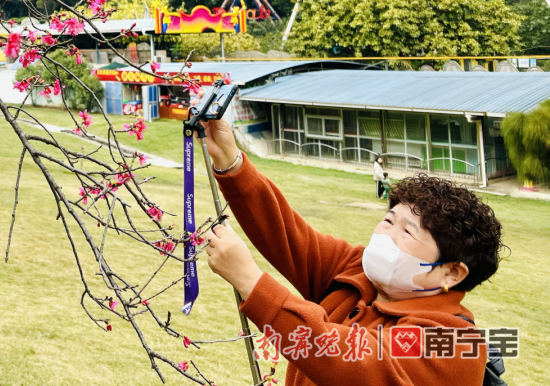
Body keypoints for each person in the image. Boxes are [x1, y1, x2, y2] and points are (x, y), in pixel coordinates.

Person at [201, 116, 503, 385]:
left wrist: (252, 283)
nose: (386, 234)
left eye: (407, 231)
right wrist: (231, 161)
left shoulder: (455, 343)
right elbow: (286, 233)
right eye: (388, 220)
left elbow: (351, 363)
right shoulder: (355, 270)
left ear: (451, 272)